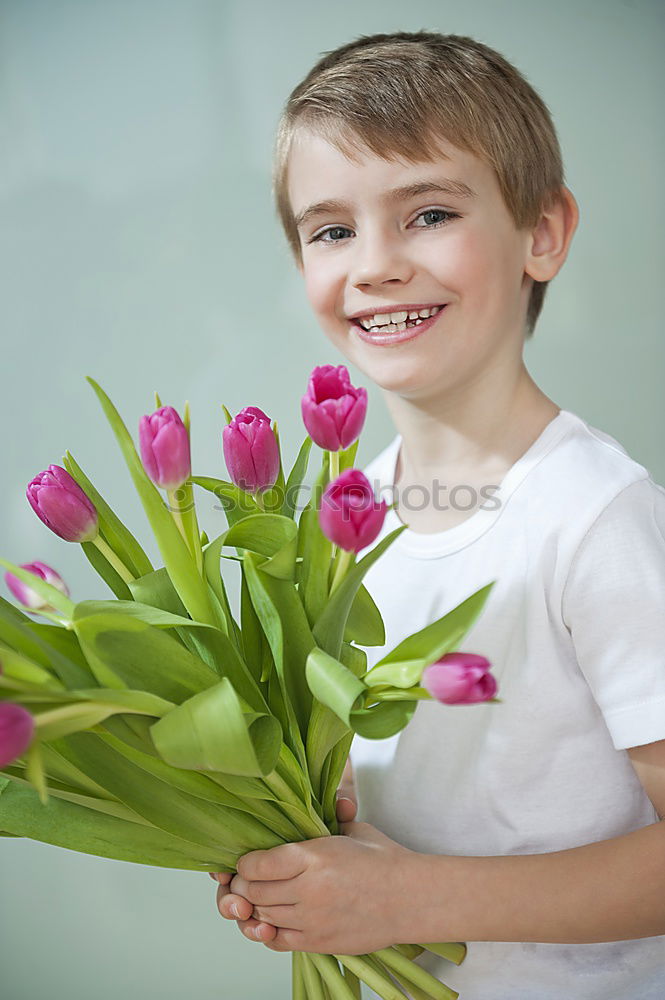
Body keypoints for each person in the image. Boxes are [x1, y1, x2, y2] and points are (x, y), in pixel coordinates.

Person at [211, 30, 665, 998]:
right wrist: (307, 853)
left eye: (425, 213)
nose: (373, 266)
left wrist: (409, 899)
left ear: (540, 233)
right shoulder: (345, 519)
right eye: (330, 230)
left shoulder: (594, 518)